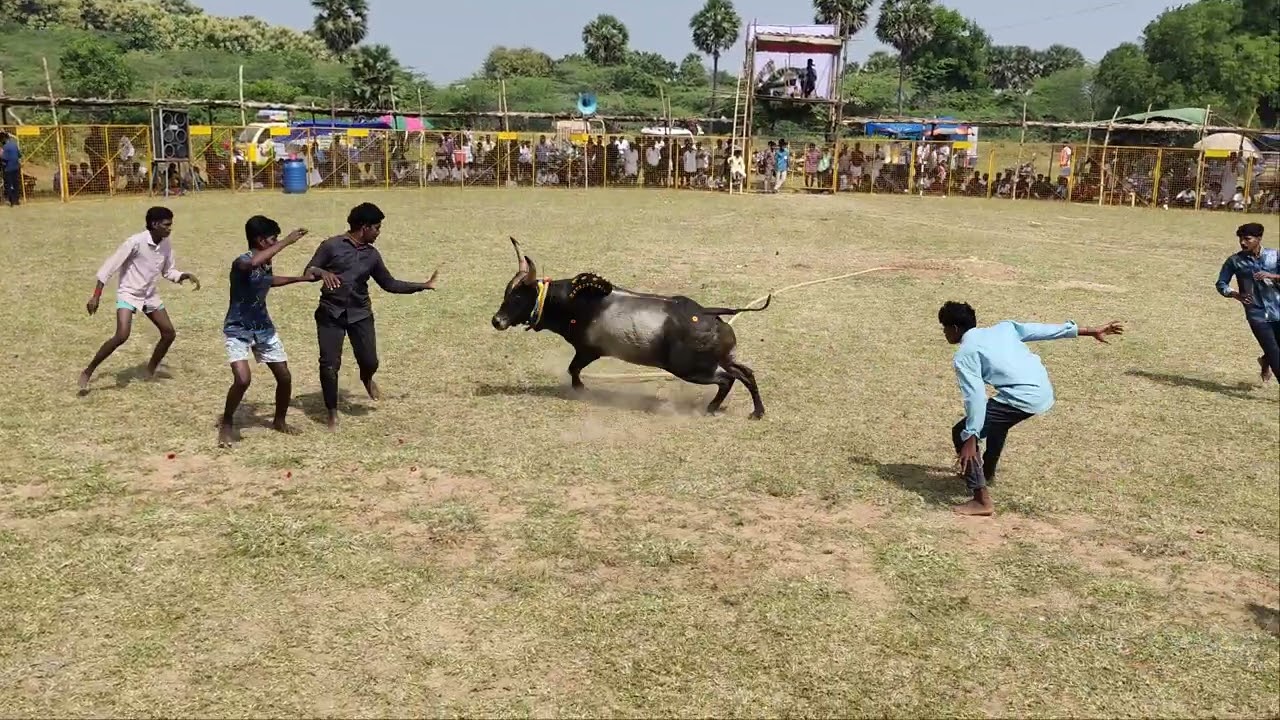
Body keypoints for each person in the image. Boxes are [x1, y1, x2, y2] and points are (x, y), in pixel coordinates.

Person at [938, 301, 1124, 517]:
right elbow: (1042, 330)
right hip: (1042, 390)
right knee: (998, 421)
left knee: (961, 433)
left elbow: (975, 397)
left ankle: (981, 499)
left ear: (954, 329)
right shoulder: (1004, 328)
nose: (944, 333)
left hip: (1022, 397)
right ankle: (986, 472)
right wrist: (1089, 331)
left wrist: (970, 436)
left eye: (944, 328)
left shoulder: (965, 353)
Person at [302, 202, 440, 431]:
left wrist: (422, 285)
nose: (379, 232)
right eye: (377, 227)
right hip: (330, 314)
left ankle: (366, 378)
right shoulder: (331, 246)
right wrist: (323, 272)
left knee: (370, 361)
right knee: (329, 364)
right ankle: (332, 412)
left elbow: (390, 284)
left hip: (360, 314)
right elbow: (308, 272)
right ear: (364, 227)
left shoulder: (372, 255)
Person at [218, 217, 338, 447]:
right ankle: (226, 423)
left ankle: (279, 421)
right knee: (242, 379)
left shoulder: (265, 263)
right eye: (272, 239)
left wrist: (300, 279)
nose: (275, 243)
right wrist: (286, 241)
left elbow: (267, 281)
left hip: (264, 328)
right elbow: (252, 265)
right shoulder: (242, 262)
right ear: (261, 240)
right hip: (238, 329)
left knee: (284, 377)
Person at [79, 206, 200, 393]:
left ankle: (150, 370)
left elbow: (168, 271)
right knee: (122, 335)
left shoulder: (166, 244)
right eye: (167, 225)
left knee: (169, 333)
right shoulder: (135, 242)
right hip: (129, 293)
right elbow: (109, 267)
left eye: (171, 224)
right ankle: (88, 370)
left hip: (149, 294)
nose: (170, 228)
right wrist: (96, 296)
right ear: (154, 224)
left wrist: (183, 275)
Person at [1215, 222, 1280, 383]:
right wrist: (1235, 294)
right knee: (1274, 351)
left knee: (1275, 350)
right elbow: (1221, 283)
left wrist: (1273, 276)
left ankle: (1266, 361)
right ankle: (1270, 359)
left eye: (1247, 239)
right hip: (1256, 314)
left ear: (1259, 239)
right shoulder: (1235, 261)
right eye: (1241, 239)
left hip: (1278, 309)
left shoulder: (1275, 256)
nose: (1242, 243)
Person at [0, 131, 20, 206]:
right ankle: (17, 200)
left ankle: (11, 201)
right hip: (16, 167)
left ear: (4, 139)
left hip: (8, 168)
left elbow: (4, 158)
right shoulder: (15, 145)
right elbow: (19, 155)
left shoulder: (5, 147)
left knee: (8, 184)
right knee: (16, 184)